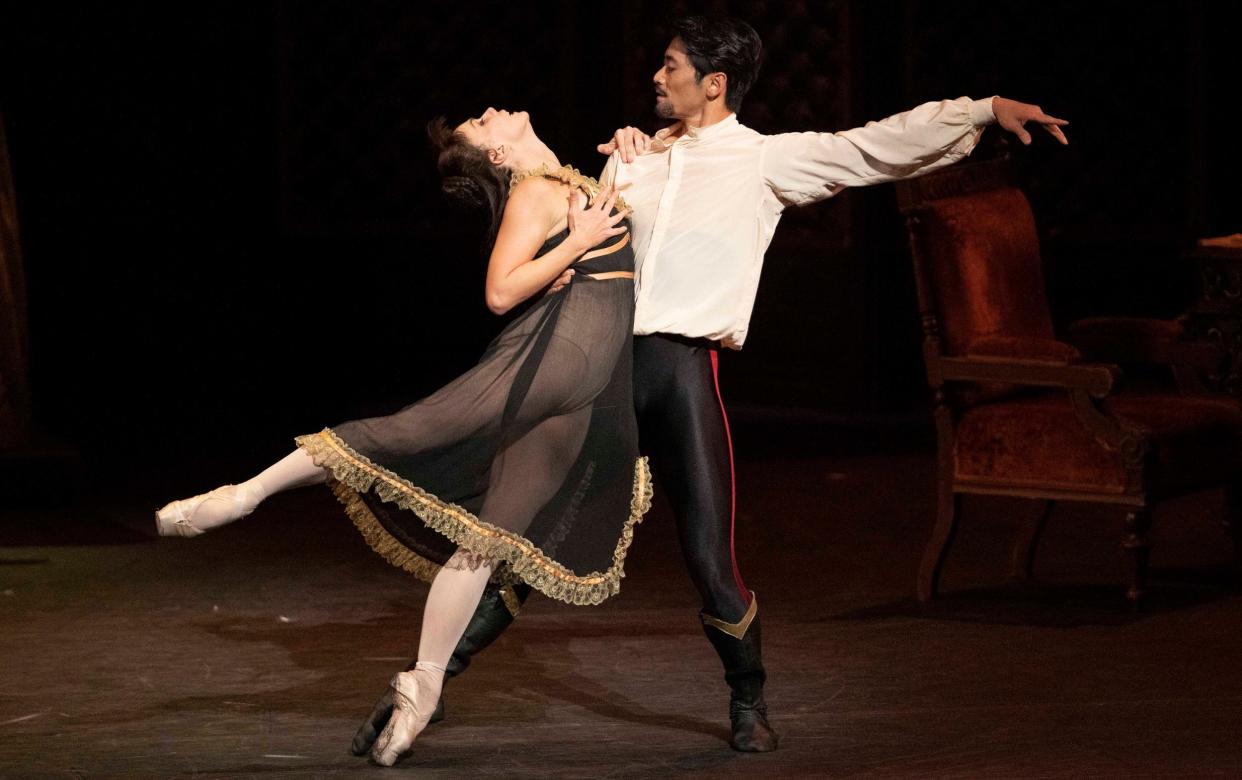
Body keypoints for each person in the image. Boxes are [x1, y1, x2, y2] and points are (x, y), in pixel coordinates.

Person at [351, 15, 1070, 755]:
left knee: (709, 557)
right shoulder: (628, 159)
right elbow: (567, 235)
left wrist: (982, 112)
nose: (656, 79)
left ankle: (748, 698)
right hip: (606, 374)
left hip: (683, 373)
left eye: (669, 67)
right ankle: (429, 686)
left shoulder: (762, 161)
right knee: (532, 543)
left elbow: (871, 148)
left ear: (712, 83)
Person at [154, 107, 650, 767]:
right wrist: (574, 244)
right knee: (414, 429)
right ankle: (246, 493)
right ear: (499, 156)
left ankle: (424, 683)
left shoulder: (564, 181)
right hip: (555, 364)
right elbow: (500, 294)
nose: (489, 111)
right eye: (481, 122)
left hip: (580, 384)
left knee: (487, 540)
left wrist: (623, 161)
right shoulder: (536, 191)